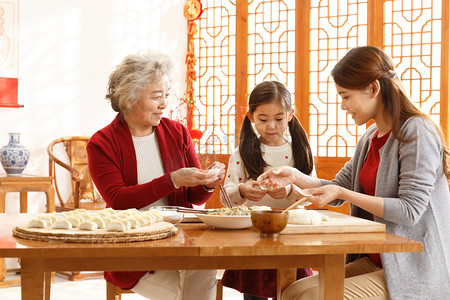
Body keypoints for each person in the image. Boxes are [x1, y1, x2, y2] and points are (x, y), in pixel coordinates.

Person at [257, 46, 450, 300]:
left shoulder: (416, 131)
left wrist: (341, 191)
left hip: (414, 267)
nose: (342, 105)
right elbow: (337, 189)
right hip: (378, 261)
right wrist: (294, 176)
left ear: (373, 88)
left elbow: (410, 211)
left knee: (310, 297)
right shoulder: (370, 137)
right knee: (294, 290)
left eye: (346, 96)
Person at [86, 52, 225, 300]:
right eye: (156, 96)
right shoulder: (102, 143)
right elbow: (118, 199)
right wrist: (172, 180)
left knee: (204, 263)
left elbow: (195, 196)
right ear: (129, 99)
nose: (164, 104)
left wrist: (208, 183)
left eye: (166, 96)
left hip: (179, 240)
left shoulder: (177, 133)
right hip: (134, 252)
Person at [220, 81, 315, 300]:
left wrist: (290, 189)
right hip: (254, 238)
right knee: (254, 295)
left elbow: (313, 194)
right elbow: (227, 199)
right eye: (263, 119)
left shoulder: (300, 149)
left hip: (291, 238)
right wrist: (242, 191)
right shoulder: (241, 153)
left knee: (294, 292)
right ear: (251, 116)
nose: (271, 126)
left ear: (290, 114)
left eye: (279, 118)